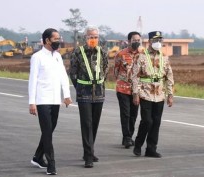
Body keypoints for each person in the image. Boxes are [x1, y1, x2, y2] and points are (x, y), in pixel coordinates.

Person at [28, 28, 72, 175]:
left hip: (55, 100)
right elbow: (32, 81)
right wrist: (31, 102)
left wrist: (66, 95)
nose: (59, 41)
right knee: (47, 132)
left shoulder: (58, 56)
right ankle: (51, 164)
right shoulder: (37, 57)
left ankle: (37, 157)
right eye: (56, 39)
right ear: (47, 40)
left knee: (49, 130)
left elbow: (63, 77)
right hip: (42, 100)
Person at [70, 26, 108, 168]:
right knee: (86, 124)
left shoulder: (103, 52)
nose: (93, 39)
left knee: (95, 123)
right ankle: (88, 156)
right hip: (84, 93)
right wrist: (79, 88)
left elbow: (106, 69)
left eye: (95, 37)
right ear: (85, 38)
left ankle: (90, 150)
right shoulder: (77, 52)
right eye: (90, 37)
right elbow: (73, 72)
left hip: (98, 93)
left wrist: (100, 85)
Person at [132, 31, 174, 158]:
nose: (158, 43)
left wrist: (170, 94)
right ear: (149, 41)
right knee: (147, 121)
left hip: (159, 94)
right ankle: (138, 144)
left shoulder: (164, 57)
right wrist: (135, 93)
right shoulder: (141, 56)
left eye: (160, 40)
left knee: (156, 122)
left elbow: (169, 76)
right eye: (155, 40)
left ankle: (151, 148)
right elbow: (135, 76)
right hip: (145, 93)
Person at [114, 31, 142, 148]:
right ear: (129, 41)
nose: (137, 42)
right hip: (123, 89)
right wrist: (124, 80)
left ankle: (129, 135)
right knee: (125, 113)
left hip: (136, 90)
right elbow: (116, 71)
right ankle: (126, 137)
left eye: (138, 40)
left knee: (134, 114)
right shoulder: (121, 54)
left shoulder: (143, 54)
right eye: (134, 40)